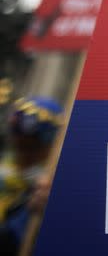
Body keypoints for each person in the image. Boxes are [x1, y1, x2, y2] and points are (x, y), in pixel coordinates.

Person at [0, 96, 63, 255]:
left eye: (32, 148)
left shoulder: (45, 190)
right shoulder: (5, 171)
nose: (24, 154)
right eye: (19, 144)